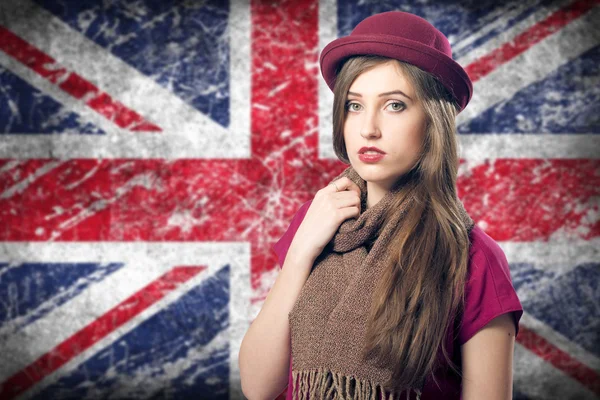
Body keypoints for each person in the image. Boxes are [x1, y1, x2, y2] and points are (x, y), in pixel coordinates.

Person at [239, 10, 523, 400]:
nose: (368, 128)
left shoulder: (474, 258)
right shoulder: (316, 221)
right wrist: (302, 251)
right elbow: (257, 387)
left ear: (433, 121)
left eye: (394, 105)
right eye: (355, 105)